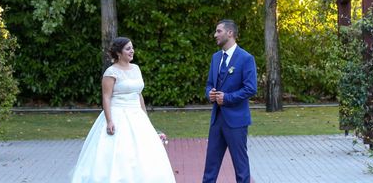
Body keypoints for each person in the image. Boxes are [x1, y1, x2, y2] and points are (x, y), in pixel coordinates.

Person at [70, 37, 176, 183]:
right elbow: (106, 97)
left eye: (132, 48)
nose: (132, 51)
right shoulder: (111, 72)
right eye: (128, 48)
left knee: (143, 153)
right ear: (119, 53)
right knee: (119, 152)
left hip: (137, 115)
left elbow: (138, 95)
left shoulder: (136, 68)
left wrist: (145, 117)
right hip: (117, 114)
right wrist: (109, 121)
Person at [202, 19, 257, 183]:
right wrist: (209, 94)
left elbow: (251, 88)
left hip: (236, 121)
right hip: (217, 120)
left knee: (241, 167)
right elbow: (209, 84)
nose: (215, 35)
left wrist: (227, 98)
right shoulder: (215, 57)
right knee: (210, 166)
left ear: (230, 33)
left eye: (218, 31)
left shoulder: (246, 58)